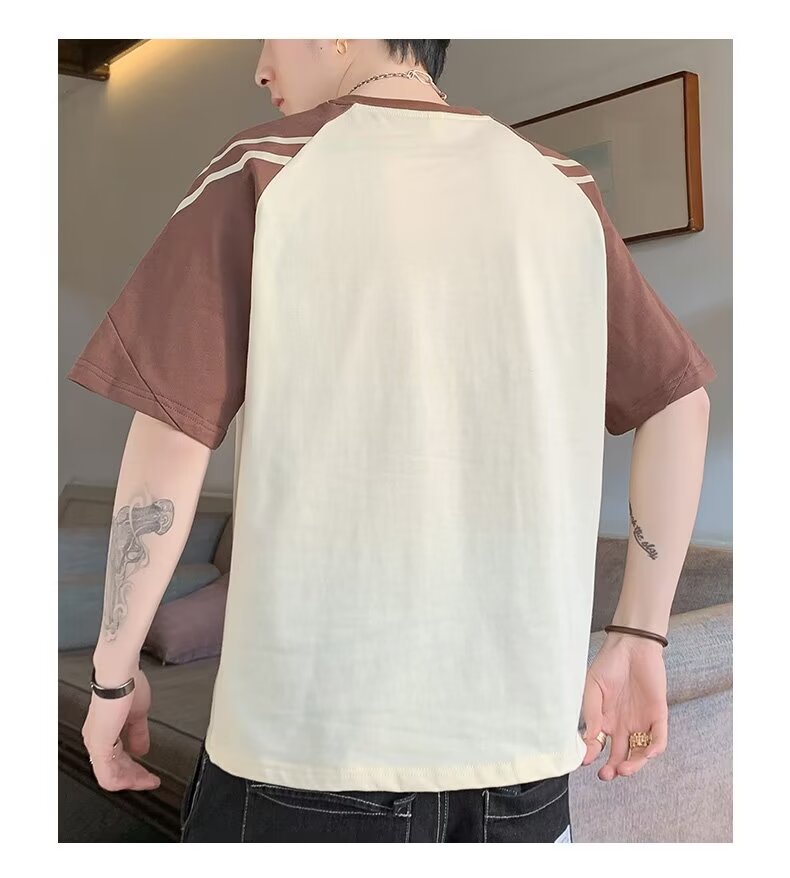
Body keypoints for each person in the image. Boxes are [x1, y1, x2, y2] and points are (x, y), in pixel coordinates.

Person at [66, 39, 717, 843]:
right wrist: (638, 638)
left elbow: (172, 430)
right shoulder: (562, 184)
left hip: (305, 753)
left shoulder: (265, 165)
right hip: (523, 759)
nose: (260, 67)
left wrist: (113, 676)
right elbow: (681, 403)